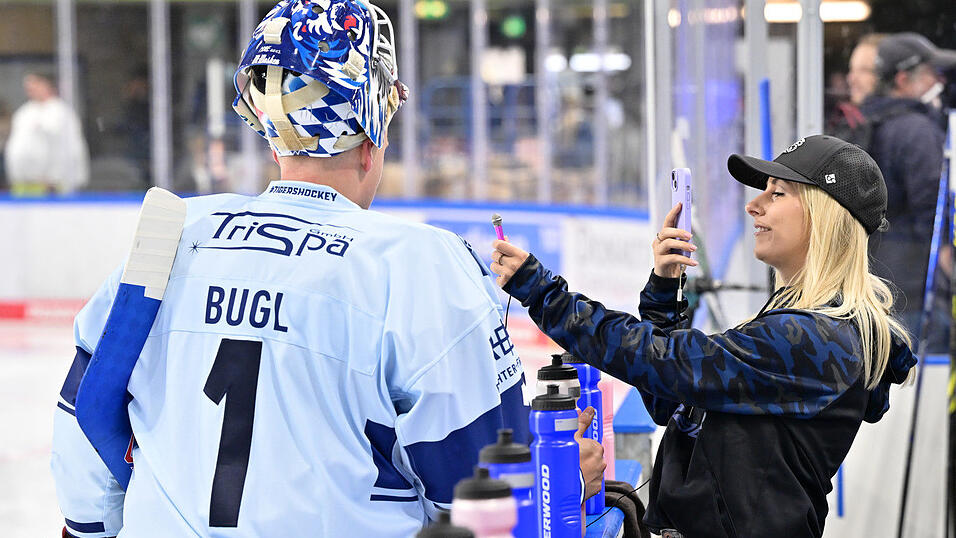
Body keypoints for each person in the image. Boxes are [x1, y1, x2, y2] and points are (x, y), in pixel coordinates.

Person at [50, 1, 603, 536]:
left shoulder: (172, 235)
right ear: (372, 134)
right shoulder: (420, 266)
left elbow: (85, 425)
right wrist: (558, 482)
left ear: (271, 135)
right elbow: (483, 498)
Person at [491, 135, 916, 537]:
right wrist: (665, 288)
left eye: (777, 193)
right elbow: (672, 399)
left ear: (825, 216)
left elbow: (662, 361)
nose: (754, 205)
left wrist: (543, 292)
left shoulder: (818, 339)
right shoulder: (801, 326)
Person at [850, 33, 956, 346]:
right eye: (929, 74)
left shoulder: (869, 121)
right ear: (902, 79)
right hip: (914, 289)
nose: (938, 81)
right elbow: (934, 213)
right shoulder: (916, 130)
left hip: (877, 280)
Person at [4, 72, 89, 195]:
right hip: (24, 183)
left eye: (34, 84)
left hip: (52, 185)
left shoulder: (60, 112)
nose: (29, 89)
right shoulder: (24, 111)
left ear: (46, 85)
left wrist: (53, 178)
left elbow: (66, 149)